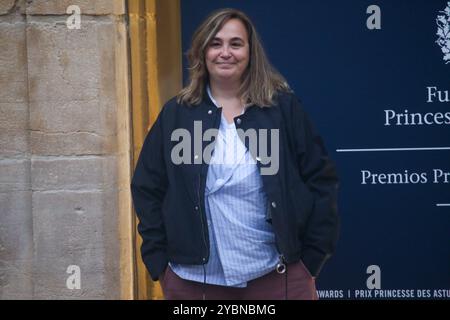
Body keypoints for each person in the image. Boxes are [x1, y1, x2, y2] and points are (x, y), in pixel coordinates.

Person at [131, 8, 339, 300]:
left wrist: (311, 261)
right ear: (202, 52)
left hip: (276, 275)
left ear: (251, 52)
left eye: (235, 44)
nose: (225, 52)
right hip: (193, 282)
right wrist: (159, 264)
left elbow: (321, 180)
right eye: (215, 44)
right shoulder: (177, 114)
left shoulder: (281, 109)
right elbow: (147, 187)